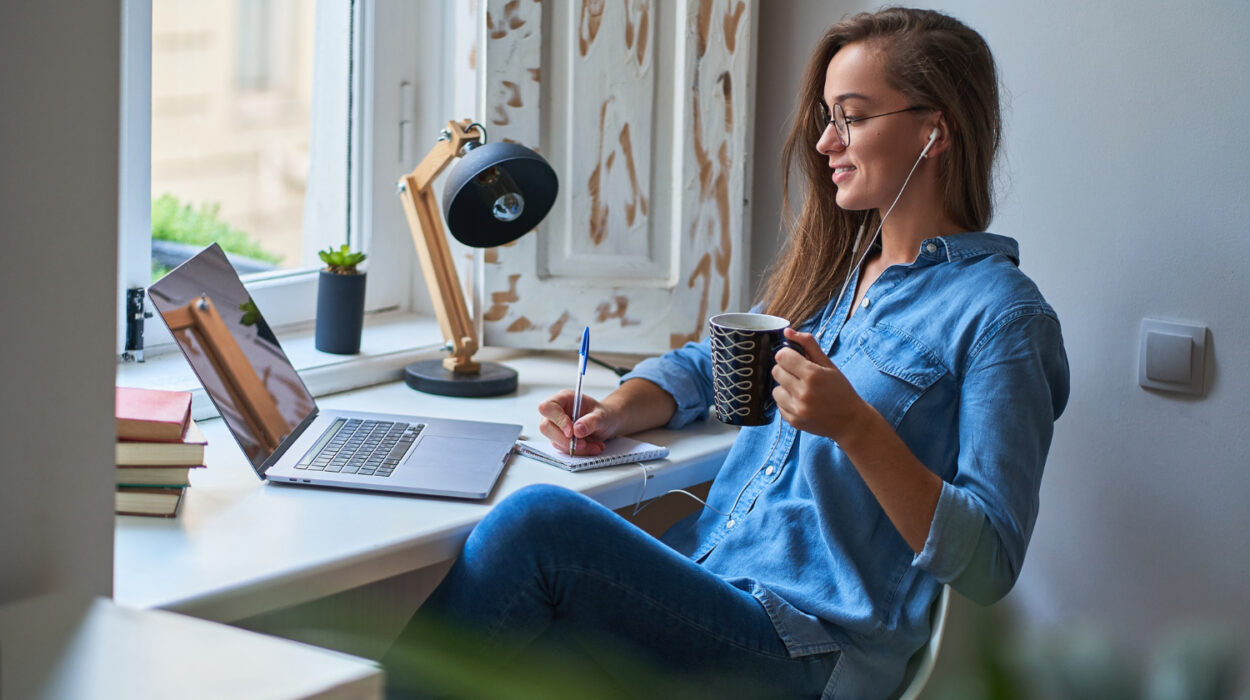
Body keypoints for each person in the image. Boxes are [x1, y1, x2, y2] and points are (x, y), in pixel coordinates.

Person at [383, 7, 1069, 699]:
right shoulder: (836, 277)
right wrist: (617, 410)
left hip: (807, 648)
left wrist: (855, 426)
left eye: (852, 117)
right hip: (712, 580)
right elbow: (706, 366)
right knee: (526, 646)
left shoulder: (1003, 317)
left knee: (538, 525)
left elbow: (988, 562)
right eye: (827, 117)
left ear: (935, 129)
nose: (828, 141)